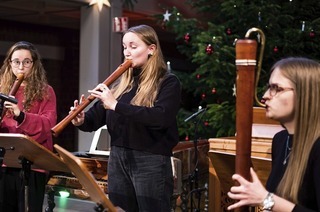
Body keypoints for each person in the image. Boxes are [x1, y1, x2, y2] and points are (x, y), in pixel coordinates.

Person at [70, 24, 181, 211]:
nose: (127, 52)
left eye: (133, 46)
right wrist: (81, 119)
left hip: (150, 160)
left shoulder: (168, 81)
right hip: (118, 158)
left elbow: (160, 118)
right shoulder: (122, 82)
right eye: (124, 47)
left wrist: (115, 105)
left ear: (151, 49)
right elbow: (95, 119)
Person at [227, 57, 320, 211]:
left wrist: (266, 199)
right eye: (269, 87)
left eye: (276, 88)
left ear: (305, 93)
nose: (264, 96)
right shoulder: (280, 141)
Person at [0, 41, 57, 212]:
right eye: (16, 61)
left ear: (34, 64)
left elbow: (48, 125)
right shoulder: (2, 90)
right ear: (9, 64)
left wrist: (21, 115)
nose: (21, 66)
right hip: (4, 163)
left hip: (32, 165)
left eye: (27, 62)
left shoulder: (45, 91)